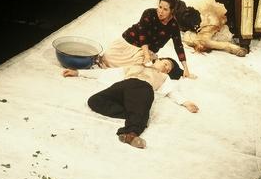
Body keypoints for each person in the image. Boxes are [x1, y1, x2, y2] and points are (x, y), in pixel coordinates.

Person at [62, 58, 199, 149]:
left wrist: (186, 103)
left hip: (144, 87)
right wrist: (78, 72)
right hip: (124, 85)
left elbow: (172, 91)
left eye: (169, 69)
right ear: (157, 60)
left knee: (139, 108)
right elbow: (107, 72)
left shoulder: (164, 77)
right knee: (95, 101)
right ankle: (135, 115)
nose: (166, 68)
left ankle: (131, 134)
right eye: (166, 63)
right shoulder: (135, 66)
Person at [99, 0, 195, 78]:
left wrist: (186, 68)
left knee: (139, 69)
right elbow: (143, 35)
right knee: (106, 58)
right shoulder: (149, 13)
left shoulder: (173, 26)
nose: (160, 11)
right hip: (129, 43)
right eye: (160, 7)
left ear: (172, 11)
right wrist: (146, 55)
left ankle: (181, 73)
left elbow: (178, 46)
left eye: (165, 9)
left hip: (144, 52)